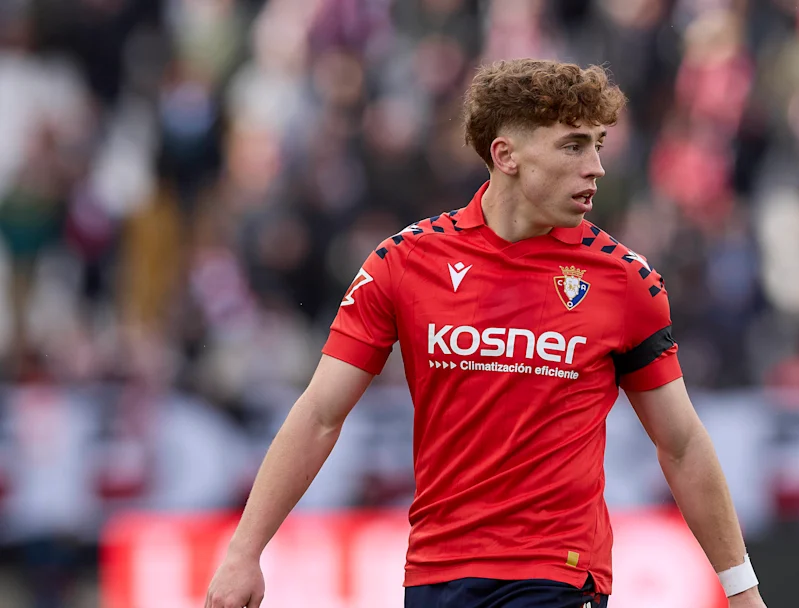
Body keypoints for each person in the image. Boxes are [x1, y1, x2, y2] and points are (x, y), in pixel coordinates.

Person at [205, 58, 766, 608]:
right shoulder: (404, 262)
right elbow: (319, 414)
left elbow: (681, 444)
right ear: (506, 155)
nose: (596, 166)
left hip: (558, 575)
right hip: (436, 574)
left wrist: (742, 590)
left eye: (598, 144)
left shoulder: (624, 281)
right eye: (574, 146)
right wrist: (243, 551)